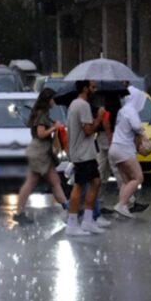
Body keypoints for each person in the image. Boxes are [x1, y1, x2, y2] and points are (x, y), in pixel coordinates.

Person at [15, 88, 70, 226]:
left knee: (54, 181)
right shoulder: (41, 115)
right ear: (48, 99)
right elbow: (41, 134)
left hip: (42, 151)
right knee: (32, 183)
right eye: (52, 99)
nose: (54, 102)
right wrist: (54, 127)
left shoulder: (42, 113)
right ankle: (18, 213)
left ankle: (68, 209)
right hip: (39, 151)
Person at [66, 80, 109, 236]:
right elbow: (88, 130)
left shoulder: (74, 104)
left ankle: (88, 220)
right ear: (85, 88)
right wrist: (99, 117)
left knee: (96, 182)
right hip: (82, 153)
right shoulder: (82, 105)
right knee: (79, 185)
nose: (94, 89)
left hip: (85, 152)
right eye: (92, 87)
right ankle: (72, 223)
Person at [108, 86, 148, 219]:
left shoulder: (122, 110)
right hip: (124, 149)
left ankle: (123, 208)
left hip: (114, 148)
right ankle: (121, 205)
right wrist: (143, 134)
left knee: (126, 181)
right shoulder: (131, 110)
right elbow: (136, 126)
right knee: (138, 177)